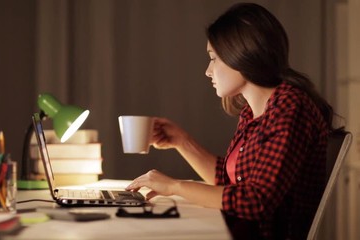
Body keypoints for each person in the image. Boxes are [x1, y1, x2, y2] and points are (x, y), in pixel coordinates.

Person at [125, 2, 334, 240]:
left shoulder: (290, 107)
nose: (208, 70)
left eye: (214, 58)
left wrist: (174, 187)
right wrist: (182, 141)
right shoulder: (253, 112)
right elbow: (230, 183)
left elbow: (256, 201)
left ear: (241, 54)